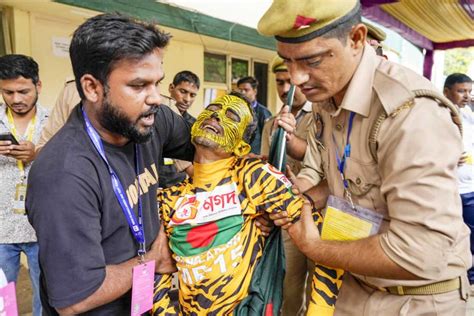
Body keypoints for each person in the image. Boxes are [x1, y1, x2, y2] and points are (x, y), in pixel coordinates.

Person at [258, 0, 471, 314]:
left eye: (311, 60)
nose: (297, 78)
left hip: (418, 301)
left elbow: (420, 252)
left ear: (357, 39)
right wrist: (300, 203)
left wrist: (315, 247)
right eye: (287, 62)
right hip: (352, 288)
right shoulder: (328, 96)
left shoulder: (409, 113)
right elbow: (352, 185)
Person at [26, 13, 195, 315]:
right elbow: (75, 300)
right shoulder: (63, 174)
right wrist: (152, 261)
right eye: (139, 85)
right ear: (92, 88)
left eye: (158, 82)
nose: (156, 97)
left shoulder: (151, 120)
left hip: (150, 301)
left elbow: (208, 154)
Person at [152, 92, 308, 315]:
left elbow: (315, 239)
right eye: (212, 110)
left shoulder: (253, 176)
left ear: (242, 147)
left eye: (231, 116)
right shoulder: (168, 199)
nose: (216, 116)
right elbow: (154, 274)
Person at [260, 56, 314, 316]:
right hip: (284, 219)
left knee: (318, 291)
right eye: (279, 82)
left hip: (317, 216)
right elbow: (265, 168)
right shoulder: (271, 124)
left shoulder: (321, 119)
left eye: (289, 83)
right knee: (288, 286)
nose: (284, 90)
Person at [0, 54, 48, 316]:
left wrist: (37, 154)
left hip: (40, 226)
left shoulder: (54, 121)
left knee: (45, 293)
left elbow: (67, 163)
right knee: (2, 298)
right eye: (8, 92)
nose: (16, 99)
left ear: (38, 86)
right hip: (1, 227)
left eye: (23, 91)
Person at [443, 73, 474, 284]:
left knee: (472, 234)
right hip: (450, 189)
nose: (467, 96)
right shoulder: (440, 115)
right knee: (452, 234)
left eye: (470, 91)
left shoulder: (468, 116)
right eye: (461, 91)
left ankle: (470, 277)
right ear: (447, 92)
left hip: (470, 187)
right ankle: (457, 274)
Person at [158, 70, 200, 188]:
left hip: (178, 186)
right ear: (171, 87)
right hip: (152, 184)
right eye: (183, 91)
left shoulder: (194, 126)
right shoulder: (154, 118)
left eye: (192, 95)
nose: (187, 99)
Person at [237, 76, 272, 155]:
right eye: (240, 90)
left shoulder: (263, 113)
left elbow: (268, 139)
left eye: (246, 90)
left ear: (255, 91)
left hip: (255, 158)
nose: (242, 92)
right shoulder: (237, 111)